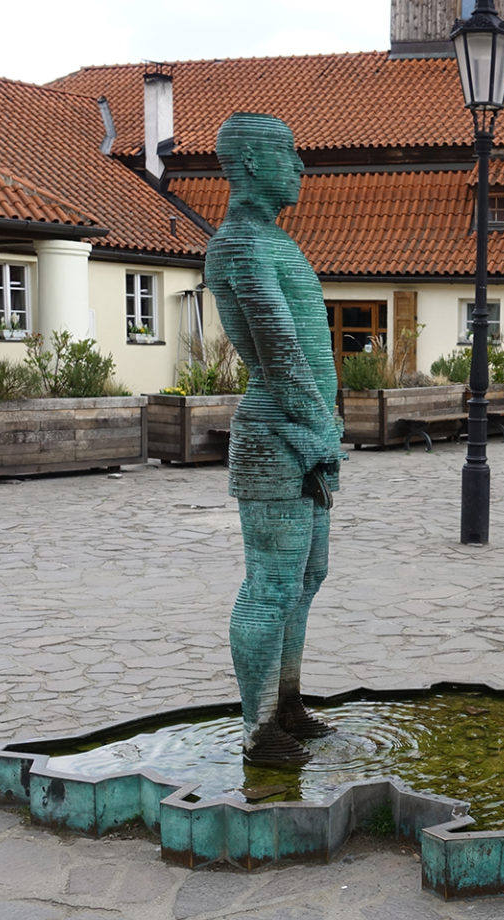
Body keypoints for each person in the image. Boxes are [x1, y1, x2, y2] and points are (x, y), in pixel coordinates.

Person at [205, 113, 344, 767]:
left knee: (307, 576)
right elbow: (279, 350)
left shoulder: (274, 240)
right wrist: (319, 433)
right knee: (270, 584)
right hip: (275, 435)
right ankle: (258, 730)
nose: (300, 165)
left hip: (303, 434)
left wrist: (323, 432)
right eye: (288, 153)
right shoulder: (238, 245)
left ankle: (286, 704)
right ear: (253, 163)